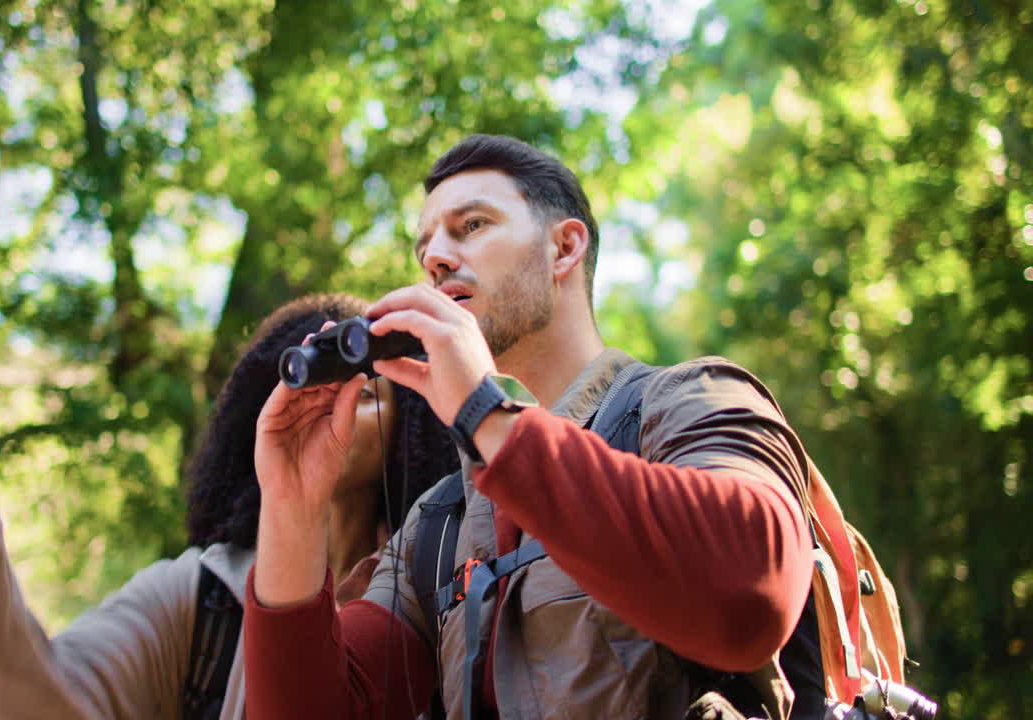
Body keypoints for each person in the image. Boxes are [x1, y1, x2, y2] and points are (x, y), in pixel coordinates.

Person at [242, 135, 819, 720]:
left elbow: (750, 599)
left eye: (470, 226)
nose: (436, 260)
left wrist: (481, 413)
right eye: (425, 250)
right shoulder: (438, 526)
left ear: (564, 248)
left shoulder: (691, 398)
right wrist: (292, 500)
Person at [0, 293, 460, 720]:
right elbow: (43, 696)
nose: (327, 409)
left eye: (360, 392)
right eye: (309, 388)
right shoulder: (195, 600)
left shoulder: (444, 587)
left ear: (404, 428)